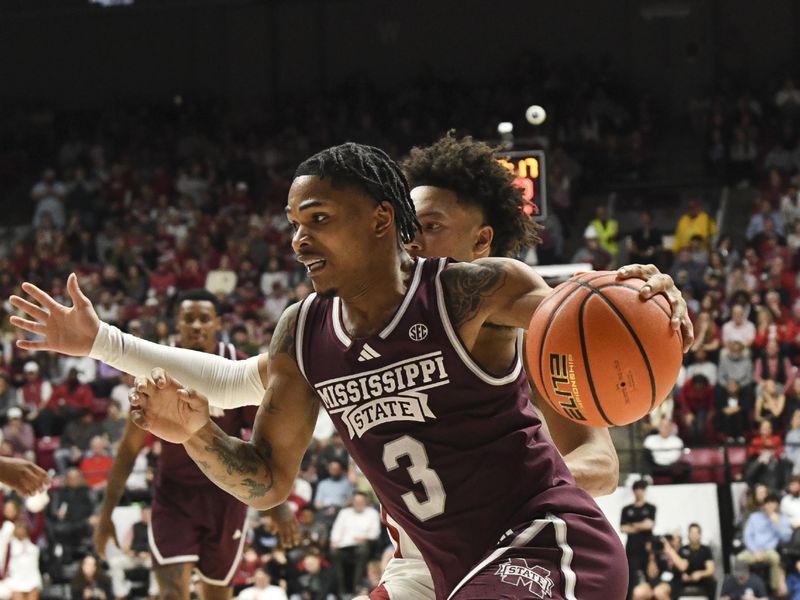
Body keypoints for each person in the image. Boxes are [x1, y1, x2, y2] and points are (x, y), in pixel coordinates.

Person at [9, 142, 693, 600]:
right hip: (432, 561)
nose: (299, 237)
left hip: (538, 540)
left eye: (317, 218)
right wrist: (191, 431)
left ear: (380, 220)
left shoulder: (482, 300)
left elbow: (587, 317)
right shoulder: (307, 333)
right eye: (293, 222)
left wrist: (651, 296)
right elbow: (263, 469)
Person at [92, 289, 293, 600]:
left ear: (217, 323)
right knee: (172, 593)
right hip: (174, 496)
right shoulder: (156, 370)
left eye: (204, 319)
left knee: (217, 595)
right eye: (189, 319)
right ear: (177, 324)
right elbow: (129, 449)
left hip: (228, 494)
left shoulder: (236, 365)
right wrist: (105, 515)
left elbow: (263, 442)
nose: (197, 326)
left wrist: (277, 507)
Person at [738, 492, 791, 594]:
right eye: (768, 503)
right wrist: (755, 551)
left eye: (773, 503)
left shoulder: (782, 519)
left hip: (769, 551)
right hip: (753, 550)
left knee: (776, 558)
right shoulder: (754, 517)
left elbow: (786, 538)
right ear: (763, 505)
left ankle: (774, 588)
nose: (770, 505)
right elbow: (747, 537)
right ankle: (743, 589)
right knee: (740, 559)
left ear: (777, 505)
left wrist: (778, 524)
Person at [329, 491, 381, 596]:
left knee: (362, 550)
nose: (358, 503)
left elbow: (375, 534)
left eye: (361, 501)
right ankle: (341, 591)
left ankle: (356, 589)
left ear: (365, 502)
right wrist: (334, 541)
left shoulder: (372, 513)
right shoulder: (344, 512)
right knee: (333, 552)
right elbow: (336, 530)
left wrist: (364, 538)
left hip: (363, 546)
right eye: (356, 501)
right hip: (344, 546)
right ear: (352, 502)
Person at [621, 480, 657, 598]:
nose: (639, 492)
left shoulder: (651, 507)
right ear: (634, 491)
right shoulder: (626, 509)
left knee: (650, 577)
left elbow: (650, 525)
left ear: (644, 491)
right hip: (632, 549)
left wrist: (632, 525)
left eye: (642, 489)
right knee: (630, 579)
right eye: (637, 489)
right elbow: (623, 528)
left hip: (647, 548)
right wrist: (641, 525)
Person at [661, 523, 716, 599]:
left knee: (712, 582)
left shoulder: (705, 550)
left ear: (700, 535)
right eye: (692, 532)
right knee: (675, 581)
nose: (694, 535)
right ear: (688, 534)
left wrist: (700, 574)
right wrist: (683, 575)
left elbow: (710, 570)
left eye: (696, 533)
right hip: (685, 579)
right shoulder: (683, 549)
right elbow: (681, 566)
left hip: (701, 579)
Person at [642, 417, 689, 483]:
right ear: (658, 427)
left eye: (667, 426)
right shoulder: (650, 439)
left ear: (671, 428)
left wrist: (664, 460)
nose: (665, 428)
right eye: (662, 426)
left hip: (671, 467)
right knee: (644, 457)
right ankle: (647, 480)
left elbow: (675, 457)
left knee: (686, 466)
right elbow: (647, 456)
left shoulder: (677, 441)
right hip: (655, 467)